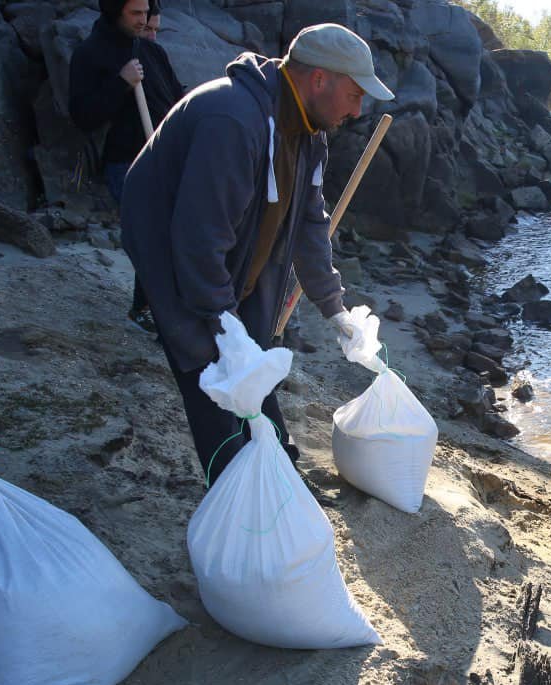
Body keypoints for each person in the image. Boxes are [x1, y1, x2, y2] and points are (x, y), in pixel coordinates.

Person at [119, 24, 394, 484]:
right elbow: (198, 240)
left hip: (237, 251)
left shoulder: (310, 131)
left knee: (255, 361)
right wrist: (221, 322)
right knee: (214, 378)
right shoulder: (231, 119)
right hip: (174, 253)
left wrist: (335, 308)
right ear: (319, 79)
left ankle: (278, 472)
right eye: (354, 93)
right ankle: (233, 496)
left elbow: (309, 224)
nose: (358, 108)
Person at [68, 0, 185, 334]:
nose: (143, 20)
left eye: (145, 13)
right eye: (135, 14)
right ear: (114, 11)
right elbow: (83, 117)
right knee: (154, 234)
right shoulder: (90, 54)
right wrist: (121, 82)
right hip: (126, 163)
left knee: (172, 233)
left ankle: (149, 306)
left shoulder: (151, 52)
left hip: (165, 158)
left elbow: (177, 100)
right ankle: (153, 311)